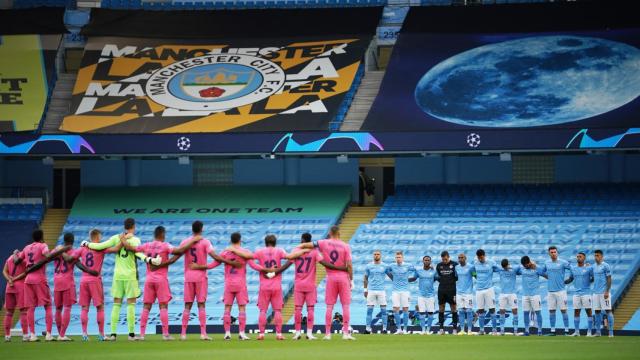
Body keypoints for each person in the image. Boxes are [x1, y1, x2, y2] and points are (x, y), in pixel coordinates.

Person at [119, 225, 204, 341]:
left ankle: (142, 335)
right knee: (163, 306)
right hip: (161, 279)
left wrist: (122, 239)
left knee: (146, 306)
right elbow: (179, 251)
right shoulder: (165, 246)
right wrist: (192, 241)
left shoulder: (147, 245)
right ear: (162, 234)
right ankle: (165, 334)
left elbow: (130, 248)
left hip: (149, 279)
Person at [83, 218, 158, 341]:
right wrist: (149, 259)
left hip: (117, 275)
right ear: (133, 226)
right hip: (130, 276)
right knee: (131, 305)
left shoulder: (116, 237)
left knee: (116, 304)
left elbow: (100, 246)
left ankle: (113, 334)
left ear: (124, 227)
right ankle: (131, 335)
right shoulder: (135, 240)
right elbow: (138, 254)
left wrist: (86, 244)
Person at [170, 221, 233, 341]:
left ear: (192, 229)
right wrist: (228, 261)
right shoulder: (205, 242)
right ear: (202, 229)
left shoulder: (185, 242)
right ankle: (203, 333)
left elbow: (175, 256)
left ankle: (183, 334)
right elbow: (215, 257)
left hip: (188, 276)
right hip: (200, 277)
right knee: (201, 305)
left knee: (187, 305)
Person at [244, 234, 309, 340]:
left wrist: (262, 269)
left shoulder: (260, 251)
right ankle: (279, 334)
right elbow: (290, 257)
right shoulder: (279, 251)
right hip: (276, 286)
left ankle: (261, 334)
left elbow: (249, 260)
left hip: (264, 285)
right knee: (278, 310)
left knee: (262, 311)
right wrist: (302, 251)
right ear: (275, 243)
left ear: (265, 242)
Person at [300, 226, 355, 340]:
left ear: (330, 232)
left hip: (331, 277)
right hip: (343, 278)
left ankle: (328, 334)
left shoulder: (323, 243)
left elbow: (307, 245)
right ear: (339, 233)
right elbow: (349, 265)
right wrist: (352, 280)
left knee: (329, 306)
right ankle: (345, 333)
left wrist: (299, 247)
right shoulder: (345, 246)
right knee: (345, 306)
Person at [16, 229, 71, 341]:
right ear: (41, 237)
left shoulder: (26, 248)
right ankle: (48, 334)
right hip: (39, 279)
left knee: (30, 308)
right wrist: (61, 250)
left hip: (28, 280)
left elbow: (17, 261)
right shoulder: (42, 246)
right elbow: (48, 256)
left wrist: (14, 254)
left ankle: (32, 335)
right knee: (48, 306)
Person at [52, 233, 95, 341]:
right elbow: (78, 264)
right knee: (67, 308)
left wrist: (59, 250)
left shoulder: (57, 250)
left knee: (58, 308)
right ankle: (62, 335)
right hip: (67, 282)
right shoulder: (73, 252)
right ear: (73, 240)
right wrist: (89, 271)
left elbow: (48, 256)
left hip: (56, 281)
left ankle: (59, 334)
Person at [75, 229, 114, 341]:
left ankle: (84, 334)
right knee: (100, 307)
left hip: (83, 280)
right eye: (100, 237)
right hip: (95, 280)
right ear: (97, 237)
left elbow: (73, 259)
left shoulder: (82, 248)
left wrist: (86, 269)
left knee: (84, 308)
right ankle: (101, 335)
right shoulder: (101, 247)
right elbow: (115, 249)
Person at [539, 246, 571, 335]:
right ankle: (553, 331)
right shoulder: (547, 263)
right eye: (551, 252)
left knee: (563, 310)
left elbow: (572, 269)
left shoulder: (563, 262)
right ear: (549, 253)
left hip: (561, 291)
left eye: (554, 252)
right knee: (551, 311)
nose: (553, 254)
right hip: (550, 291)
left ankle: (567, 331)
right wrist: (547, 277)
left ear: (557, 253)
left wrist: (570, 279)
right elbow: (541, 272)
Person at [385, 251, 416, 335]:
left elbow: (416, 271)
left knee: (405, 309)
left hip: (405, 291)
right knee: (395, 309)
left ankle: (405, 329)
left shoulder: (408, 265)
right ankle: (399, 329)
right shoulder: (392, 265)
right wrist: (392, 278)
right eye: (397, 257)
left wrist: (413, 278)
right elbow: (386, 271)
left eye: (399, 257)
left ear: (402, 258)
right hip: (395, 291)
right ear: (395, 258)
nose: (398, 259)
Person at [565, 252, 594, 337]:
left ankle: (589, 332)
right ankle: (577, 332)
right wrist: (563, 282)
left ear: (584, 258)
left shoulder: (589, 268)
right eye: (577, 256)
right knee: (576, 311)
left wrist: (588, 281)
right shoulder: (573, 269)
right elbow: (570, 279)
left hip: (586, 293)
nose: (578, 258)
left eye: (580, 256)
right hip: (576, 293)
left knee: (588, 311)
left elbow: (593, 278)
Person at [473, 249, 500, 336]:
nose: (480, 259)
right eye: (478, 257)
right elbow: (473, 271)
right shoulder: (475, 262)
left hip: (489, 289)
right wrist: (476, 277)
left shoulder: (491, 262)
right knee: (480, 310)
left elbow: (499, 269)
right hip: (479, 289)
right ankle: (481, 330)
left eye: (481, 257)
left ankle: (494, 330)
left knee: (492, 309)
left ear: (484, 255)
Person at [2, 249, 27, 342]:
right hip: (20, 286)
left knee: (9, 312)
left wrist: (9, 280)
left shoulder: (9, 258)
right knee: (23, 311)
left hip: (9, 287)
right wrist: (15, 279)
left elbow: (4, 271)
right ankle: (25, 336)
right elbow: (25, 273)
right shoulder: (23, 259)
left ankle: (7, 336)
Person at [409, 255, 437, 335]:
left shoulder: (434, 271)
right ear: (423, 261)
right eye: (425, 260)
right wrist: (404, 280)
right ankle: (423, 330)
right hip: (421, 295)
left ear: (430, 262)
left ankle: (428, 330)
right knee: (421, 313)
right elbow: (414, 278)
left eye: (428, 260)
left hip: (431, 295)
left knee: (431, 313)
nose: (427, 261)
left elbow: (437, 278)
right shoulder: (419, 271)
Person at [517, 256, 544, 336]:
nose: (525, 266)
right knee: (525, 313)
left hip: (535, 294)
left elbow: (545, 274)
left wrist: (536, 266)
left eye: (526, 264)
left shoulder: (536, 268)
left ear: (529, 262)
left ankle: (539, 331)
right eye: (524, 265)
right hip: (525, 295)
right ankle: (526, 331)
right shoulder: (522, 269)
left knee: (538, 312)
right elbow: (515, 271)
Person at [364, 250, 388, 334]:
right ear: (373, 255)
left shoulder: (385, 266)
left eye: (378, 254)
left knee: (384, 311)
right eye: (375, 254)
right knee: (369, 310)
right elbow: (365, 278)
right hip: (371, 290)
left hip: (381, 290)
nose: (376, 255)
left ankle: (384, 329)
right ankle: (367, 329)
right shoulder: (369, 266)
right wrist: (365, 289)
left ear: (380, 256)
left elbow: (391, 275)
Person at [592, 249, 614, 337]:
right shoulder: (593, 266)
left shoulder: (606, 266)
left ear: (601, 256)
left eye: (597, 255)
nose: (596, 257)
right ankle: (598, 332)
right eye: (595, 255)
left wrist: (607, 291)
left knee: (608, 311)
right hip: (595, 293)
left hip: (604, 292)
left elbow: (609, 278)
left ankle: (611, 332)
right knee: (597, 311)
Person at [435, 251, 458, 335]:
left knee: (453, 308)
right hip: (441, 290)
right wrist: (443, 281)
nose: (444, 261)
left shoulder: (455, 265)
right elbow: (437, 276)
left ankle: (455, 329)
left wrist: (451, 281)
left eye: (445, 259)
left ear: (448, 257)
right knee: (441, 308)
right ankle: (441, 329)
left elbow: (457, 277)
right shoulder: (439, 265)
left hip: (452, 290)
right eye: (443, 259)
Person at [497, 258, 519, 336]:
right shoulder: (500, 269)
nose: (505, 268)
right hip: (502, 293)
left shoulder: (514, 269)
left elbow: (521, 268)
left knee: (515, 311)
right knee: (502, 311)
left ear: (508, 264)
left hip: (512, 293)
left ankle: (515, 330)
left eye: (506, 266)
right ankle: (502, 330)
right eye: (503, 267)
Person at [455, 253, 474, 335]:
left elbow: (475, 275)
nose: (460, 259)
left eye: (462, 257)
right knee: (461, 311)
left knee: (469, 311)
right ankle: (462, 330)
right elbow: (455, 277)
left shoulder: (471, 267)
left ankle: (469, 330)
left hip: (468, 292)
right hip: (459, 292)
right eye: (459, 258)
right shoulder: (456, 267)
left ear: (465, 258)